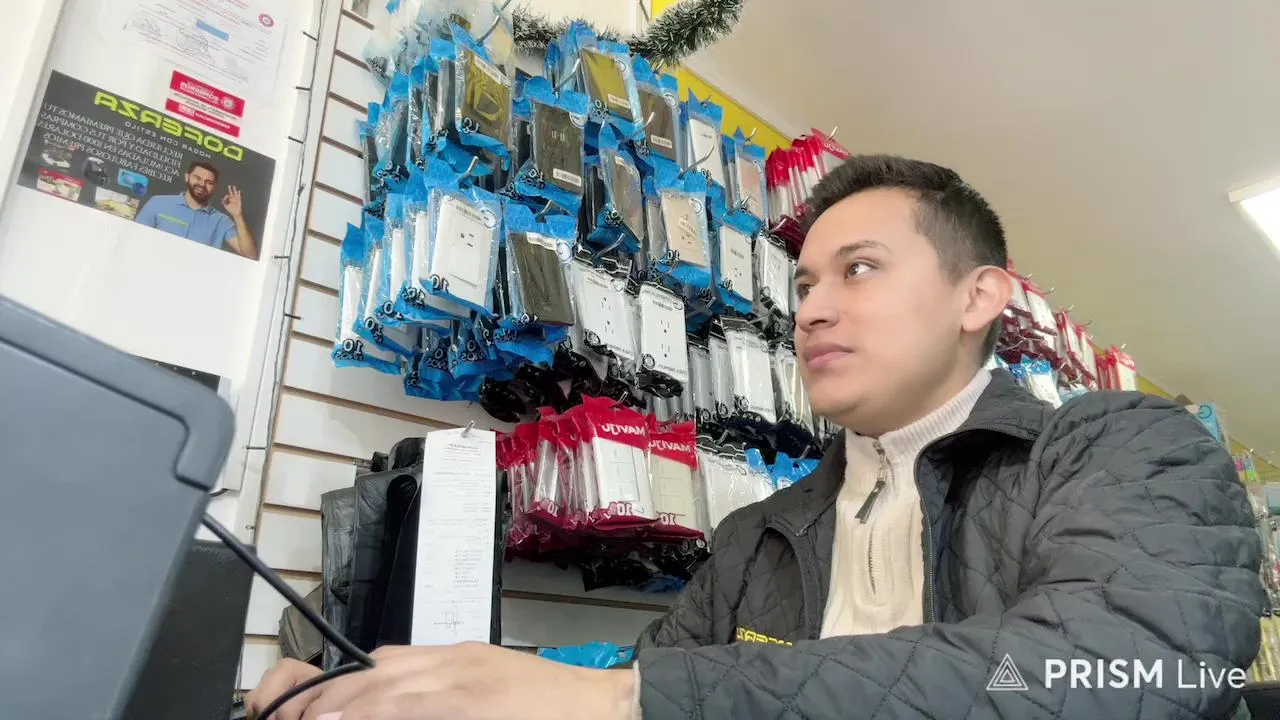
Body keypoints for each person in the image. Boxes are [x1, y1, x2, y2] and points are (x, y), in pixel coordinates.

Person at [246, 155, 1264, 719]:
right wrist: (415, 690)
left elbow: (1132, 673)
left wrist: (625, 699)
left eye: (858, 270)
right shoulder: (757, 538)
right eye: (804, 284)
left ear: (977, 296)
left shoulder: (1125, 448)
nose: (810, 309)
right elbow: (649, 689)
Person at [134, 160, 258, 259]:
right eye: (197, 178)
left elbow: (250, 254)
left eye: (209, 182)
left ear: (214, 188)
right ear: (187, 177)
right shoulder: (158, 202)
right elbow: (137, 238)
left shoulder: (222, 221)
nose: (202, 184)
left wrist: (238, 216)